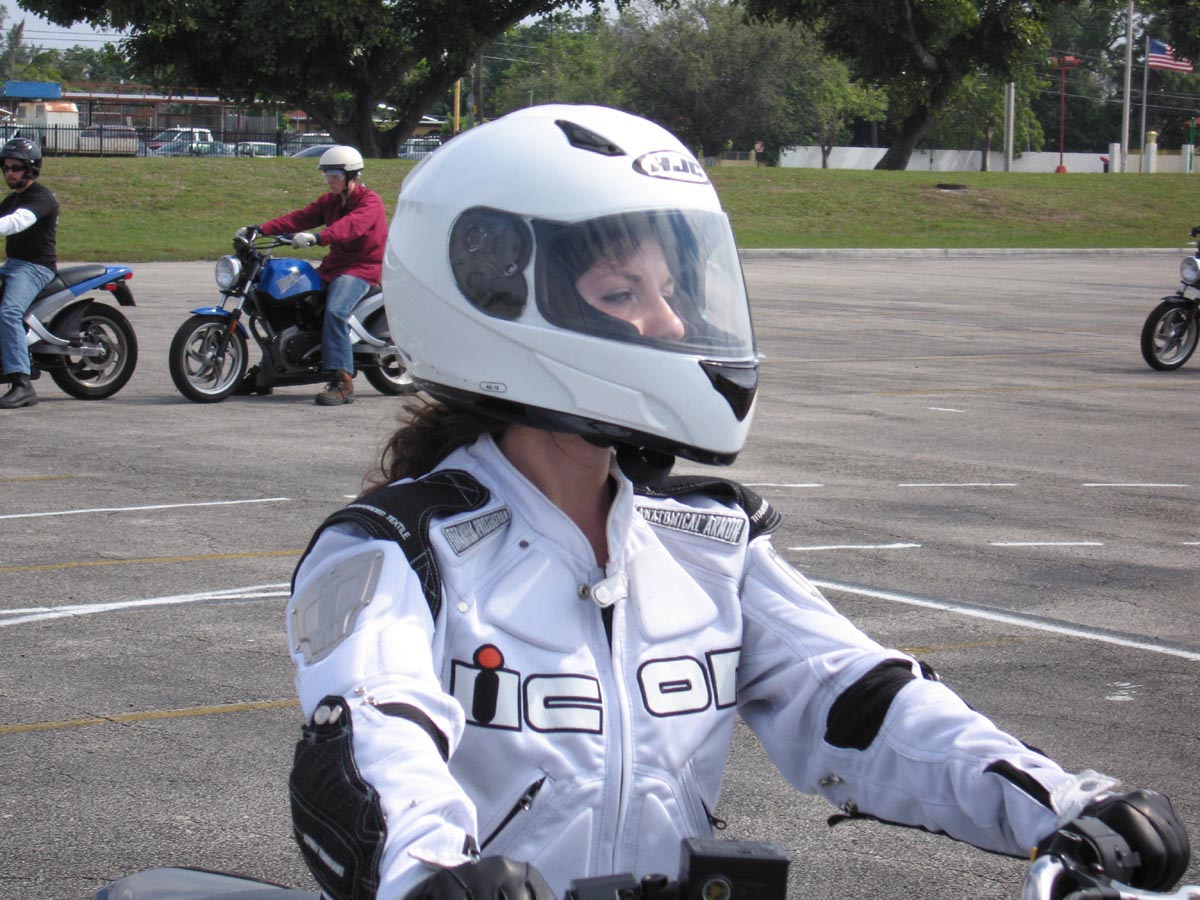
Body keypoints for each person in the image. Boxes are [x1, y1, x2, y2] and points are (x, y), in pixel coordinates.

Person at [286, 106, 1190, 900]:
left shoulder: (709, 544)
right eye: (622, 294)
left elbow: (860, 702)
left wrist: (1064, 804)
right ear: (493, 298)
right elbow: (372, 731)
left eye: (671, 290)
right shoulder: (394, 548)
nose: (672, 323)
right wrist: (430, 873)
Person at [248, 144, 386, 406]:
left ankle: (342, 380)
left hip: (363, 268)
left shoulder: (370, 202)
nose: (330, 180)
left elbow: (350, 227)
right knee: (286, 299)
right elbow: (299, 218)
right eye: (327, 175)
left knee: (335, 311)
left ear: (351, 176)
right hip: (333, 267)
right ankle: (269, 370)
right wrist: (259, 229)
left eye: (335, 175)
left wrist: (317, 237)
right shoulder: (329, 201)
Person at [0, 137, 58, 409]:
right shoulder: (12, 199)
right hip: (13, 264)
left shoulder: (42, 199)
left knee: (9, 312)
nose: (9, 173)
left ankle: (22, 384)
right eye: (6, 167)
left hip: (35, 267)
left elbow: (16, 222)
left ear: (31, 169)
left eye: (15, 167)